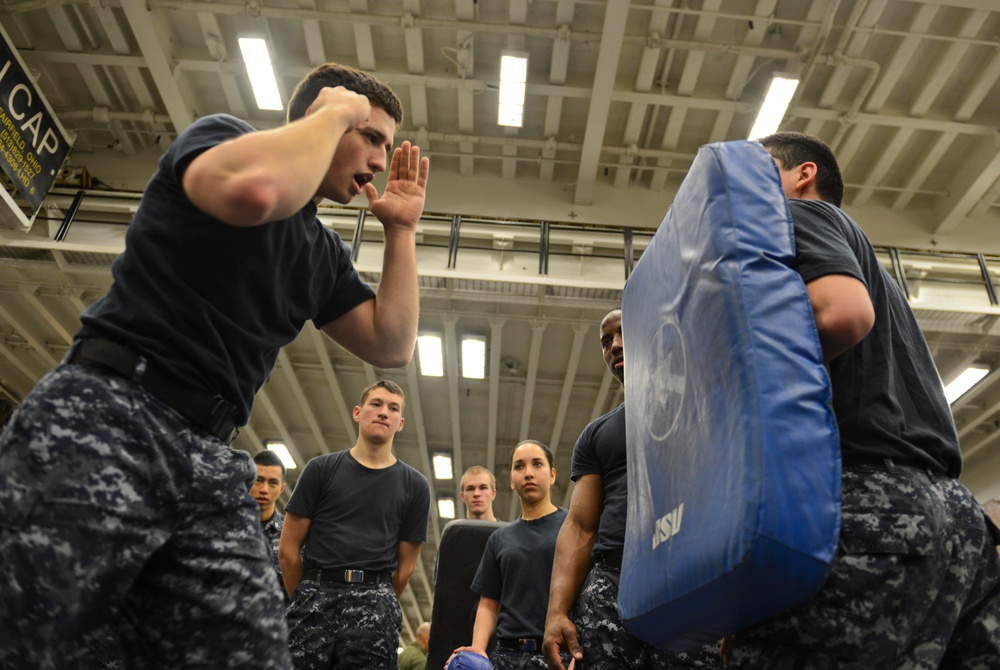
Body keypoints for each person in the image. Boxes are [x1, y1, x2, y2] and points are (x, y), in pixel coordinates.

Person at [0, 61, 429, 669]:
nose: (381, 162)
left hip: (208, 457)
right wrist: (335, 114)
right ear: (325, 115)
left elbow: (392, 343)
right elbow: (252, 193)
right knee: (27, 629)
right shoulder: (224, 138)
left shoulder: (321, 252)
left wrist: (402, 232)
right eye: (372, 137)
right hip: (109, 414)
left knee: (249, 653)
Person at [722, 131, 1000, 667]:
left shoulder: (792, 216)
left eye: (754, 174)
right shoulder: (873, 268)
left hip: (868, 506)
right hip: (955, 517)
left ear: (802, 175)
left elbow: (843, 315)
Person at [542, 308, 722, 670]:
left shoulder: (701, 407)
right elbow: (580, 526)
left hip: (686, 581)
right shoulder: (596, 435)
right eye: (606, 341)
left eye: (625, 332)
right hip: (611, 586)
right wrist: (556, 612)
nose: (615, 346)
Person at [280, 380, 431, 669]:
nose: (384, 412)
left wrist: (374, 599)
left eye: (393, 408)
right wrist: (307, 595)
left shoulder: (415, 486)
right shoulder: (320, 470)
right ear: (358, 412)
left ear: (401, 423)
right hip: (313, 601)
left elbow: (405, 567)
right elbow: (288, 549)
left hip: (375, 608)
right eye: (376, 404)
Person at [450, 440, 571, 670]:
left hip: (557, 656)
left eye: (537, 464)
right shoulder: (499, 538)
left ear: (553, 475)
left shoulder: (572, 526)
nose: (528, 473)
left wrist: (579, 650)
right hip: (505, 656)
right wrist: (478, 649)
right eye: (519, 466)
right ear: (511, 482)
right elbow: (488, 604)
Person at [251, 449, 288, 586]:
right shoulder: (225, 526)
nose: (264, 490)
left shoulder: (290, 535)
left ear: (281, 488)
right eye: (258, 480)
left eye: (273, 483)